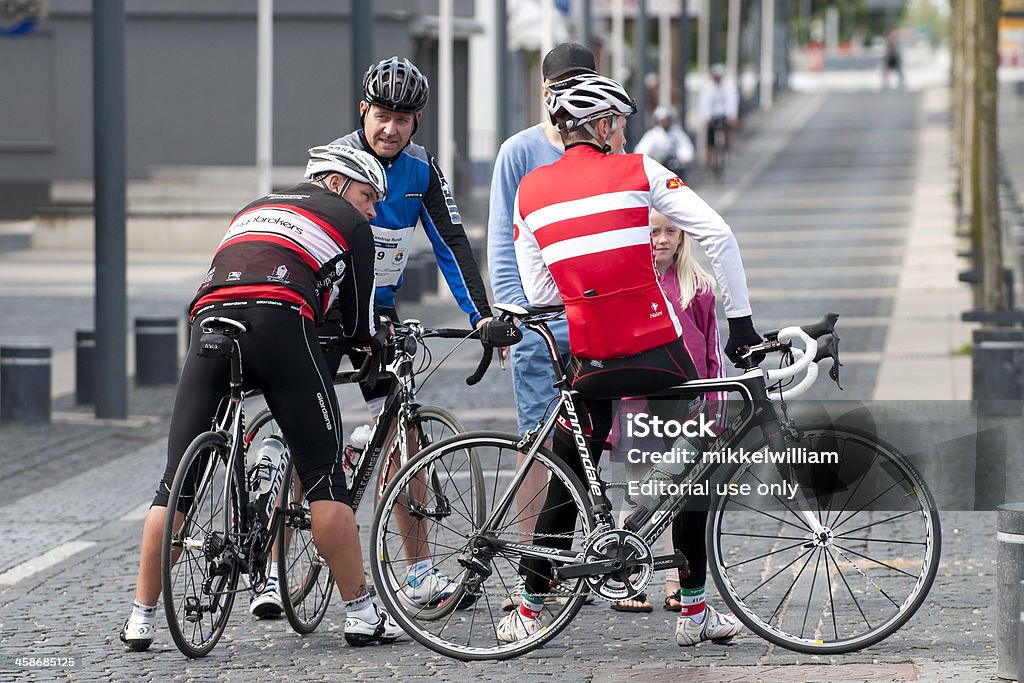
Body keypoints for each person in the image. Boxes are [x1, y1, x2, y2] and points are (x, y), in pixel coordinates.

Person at [497, 73, 761, 646]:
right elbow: (718, 236)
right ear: (602, 125)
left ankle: (527, 610)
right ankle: (692, 612)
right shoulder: (638, 170)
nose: (622, 133)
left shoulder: (530, 191)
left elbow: (538, 290)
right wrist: (739, 327)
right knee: (696, 470)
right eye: (617, 123)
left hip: (590, 355)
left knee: (568, 474)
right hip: (658, 353)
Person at [119, 145, 403, 651]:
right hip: (279, 320)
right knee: (322, 478)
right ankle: (361, 612)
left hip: (210, 321)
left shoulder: (253, 208)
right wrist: (370, 342)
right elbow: (359, 324)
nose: (373, 209)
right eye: (368, 195)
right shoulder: (351, 224)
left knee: (173, 484)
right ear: (336, 185)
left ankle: (140, 618)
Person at [326, 55, 492, 608]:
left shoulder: (422, 169)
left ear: (416, 121)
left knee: (405, 437)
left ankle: (418, 572)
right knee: (306, 430)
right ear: (363, 112)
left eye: (402, 118)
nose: (390, 128)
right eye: (381, 116)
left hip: (380, 316)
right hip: (325, 311)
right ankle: (278, 566)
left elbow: (452, 243)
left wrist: (482, 316)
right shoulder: (335, 164)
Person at [486, 42, 619, 611]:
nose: (575, 95)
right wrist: (513, 311)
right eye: (565, 85)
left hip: (599, 317)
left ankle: (587, 555)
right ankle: (532, 566)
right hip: (540, 322)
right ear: (546, 92)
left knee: (592, 438)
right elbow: (501, 237)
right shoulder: (519, 152)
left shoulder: (609, 140)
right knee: (537, 440)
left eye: (585, 83)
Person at [604, 211, 737, 646]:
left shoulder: (697, 288)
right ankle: (627, 576)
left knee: (684, 498)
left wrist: (715, 406)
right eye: (653, 231)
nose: (661, 239)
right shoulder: (629, 284)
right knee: (641, 493)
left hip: (689, 408)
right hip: (641, 405)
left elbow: (713, 352)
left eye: (669, 232)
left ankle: (675, 584)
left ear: (682, 237)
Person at [633, 106, 695, 182]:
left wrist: (685, 158)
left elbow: (685, 148)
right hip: (657, 167)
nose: (665, 122)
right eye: (662, 120)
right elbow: (641, 150)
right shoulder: (653, 134)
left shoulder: (678, 133)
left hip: (674, 168)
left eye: (667, 120)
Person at [698, 64, 739, 172]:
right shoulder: (708, 87)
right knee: (710, 139)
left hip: (724, 114)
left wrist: (732, 116)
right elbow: (704, 103)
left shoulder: (728, 86)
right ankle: (710, 161)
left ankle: (727, 147)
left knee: (727, 130)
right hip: (712, 116)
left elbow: (732, 101)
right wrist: (706, 117)